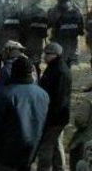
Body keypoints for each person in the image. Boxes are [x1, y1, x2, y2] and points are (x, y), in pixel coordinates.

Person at [0, 56, 49, 171]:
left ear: (14, 72)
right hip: (31, 150)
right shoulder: (43, 95)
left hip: (6, 152)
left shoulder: (5, 94)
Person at [37, 42, 72, 171]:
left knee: (46, 147)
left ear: (55, 55)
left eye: (46, 54)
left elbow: (59, 98)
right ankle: (59, 168)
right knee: (56, 144)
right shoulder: (54, 67)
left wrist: (49, 118)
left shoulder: (60, 71)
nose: (44, 56)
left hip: (54, 117)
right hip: (57, 116)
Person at [48, 0, 84, 66]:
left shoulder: (54, 11)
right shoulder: (77, 11)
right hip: (73, 43)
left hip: (59, 41)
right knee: (70, 62)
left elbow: (49, 24)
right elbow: (81, 29)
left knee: (60, 62)